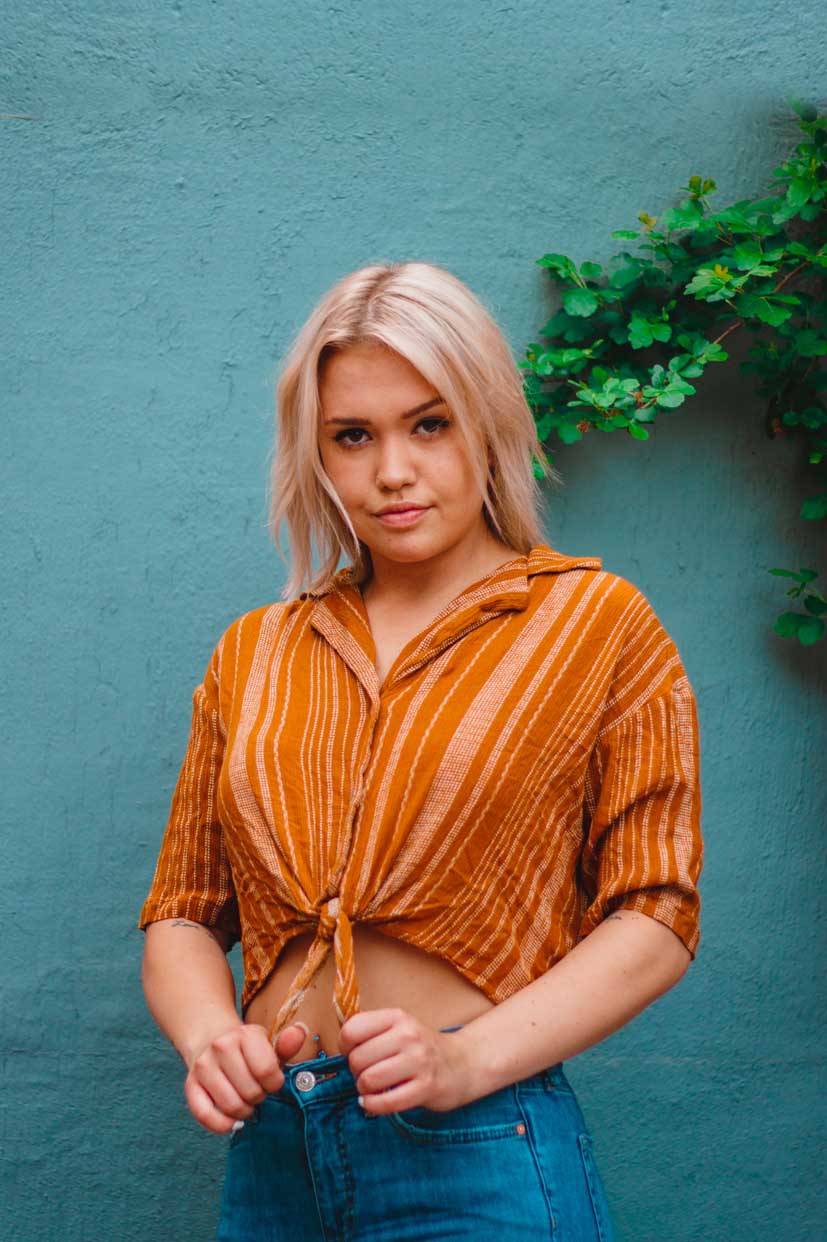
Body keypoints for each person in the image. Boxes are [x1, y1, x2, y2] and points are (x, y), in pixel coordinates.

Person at [138, 260, 703, 1241]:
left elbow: (654, 913)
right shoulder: (253, 651)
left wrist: (467, 1061)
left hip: (475, 1144)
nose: (391, 470)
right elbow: (183, 913)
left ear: (485, 425)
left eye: (427, 424)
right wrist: (206, 1039)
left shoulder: (598, 626)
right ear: (314, 455)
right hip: (273, 1156)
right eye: (352, 437)